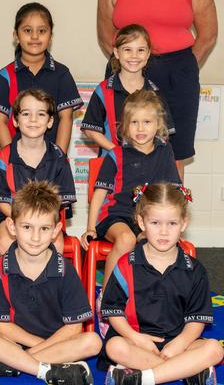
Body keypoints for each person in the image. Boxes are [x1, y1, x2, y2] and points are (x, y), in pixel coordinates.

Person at [97, 0, 217, 179]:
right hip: (127, 75)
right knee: (124, 149)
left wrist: (181, 66)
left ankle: (167, 221)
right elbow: (106, 38)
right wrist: (133, 67)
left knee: (172, 155)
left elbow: (208, 34)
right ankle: (125, 218)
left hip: (178, 75)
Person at [0, 181, 101, 381]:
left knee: (93, 342)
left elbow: (74, 328)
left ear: (56, 230)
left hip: (57, 342)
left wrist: (31, 352)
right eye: (27, 227)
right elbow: (1, 326)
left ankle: (12, 364)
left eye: (44, 228)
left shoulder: (66, 270)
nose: (36, 237)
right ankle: (46, 370)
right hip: (14, 341)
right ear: (12, 226)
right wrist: (37, 344)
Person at [100, 183, 224, 385]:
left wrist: (179, 344)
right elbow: (113, 311)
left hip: (179, 343)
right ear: (141, 222)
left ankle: (143, 378)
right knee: (114, 346)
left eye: (172, 224)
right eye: (156, 223)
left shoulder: (195, 270)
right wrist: (137, 338)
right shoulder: (125, 265)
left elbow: (196, 320)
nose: (164, 232)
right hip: (137, 342)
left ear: (183, 224)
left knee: (214, 349)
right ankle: (185, 370)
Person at [81, 89, 181, 293]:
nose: (140, 128)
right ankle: (109, 296)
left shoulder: (165, 152)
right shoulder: (116, 155)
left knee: (155, 243)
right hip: (116, 216)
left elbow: (173, 192)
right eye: (134, 122)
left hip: (149, 218)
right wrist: (91, 228)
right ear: (125, 126)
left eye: (147, 122)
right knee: (126, 239)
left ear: (158, 125)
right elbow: (99, 194)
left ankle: (148, 295)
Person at [0, 89, 76, 255]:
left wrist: (38, 221)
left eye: (41, 114)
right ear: (15, 120)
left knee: (57, 246)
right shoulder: (4, 157)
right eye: (26, 114)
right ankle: (6, 281)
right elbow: (0, 200)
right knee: (6, 242)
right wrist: (22, 219)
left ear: (50, 121)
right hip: (11, 217)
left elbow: (59, 202)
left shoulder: (59, 158)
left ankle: (47, 281)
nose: (33, 119)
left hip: (46, 220)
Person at [0, 2, 82, 154]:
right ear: (16, 35)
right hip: (16, 164)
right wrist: (12, 159)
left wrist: (58, 159)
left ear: (50, 36)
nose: (35, 36)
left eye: (42, 31)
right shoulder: (5, 76)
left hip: (52, 165)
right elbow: (0, 121)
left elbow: (66, 119)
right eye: (27, 30)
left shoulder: (62, 74)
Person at [82, 24, 174, 156]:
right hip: (112, 166)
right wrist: (116, 151)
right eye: (127, 50)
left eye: (141, 50)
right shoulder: (103, 90)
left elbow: (164, 133)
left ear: (148, 54)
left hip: (148, 167)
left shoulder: (155, 93)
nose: (134, 56)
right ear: (116, 53)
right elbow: (90, 130)